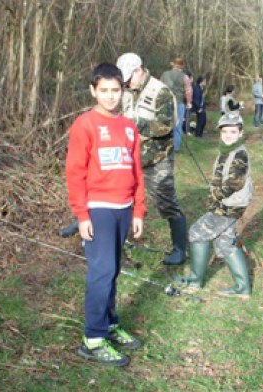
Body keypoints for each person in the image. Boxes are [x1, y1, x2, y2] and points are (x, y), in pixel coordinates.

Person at [66, 62, 146, 366]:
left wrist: (138, 210)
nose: (111, 97)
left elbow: (136, 170)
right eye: (105, 91)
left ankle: (110, 323)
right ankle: (93, 337)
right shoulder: (85, 125)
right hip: (98, 210)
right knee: (101, 273)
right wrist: (82, 215)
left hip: (124, 209)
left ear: (123, 90)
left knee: (112, 270)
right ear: (93, 91)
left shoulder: (128, 126)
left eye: (116, 90)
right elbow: (75, 174)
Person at [117, 52, 187, 266]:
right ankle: (118, 247)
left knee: (167, 203)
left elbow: (165, 126)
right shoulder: (127, 92)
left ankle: (179, 250)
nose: (126, 84)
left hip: (158, 158)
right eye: (124, 81)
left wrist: (134, 123)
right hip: (131, 156)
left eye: (128, 79)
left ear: (139, 71)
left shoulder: (161, 92)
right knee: (121, 202)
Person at [173, 111, 253, 298]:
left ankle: (195, 280)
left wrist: (217, 195)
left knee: (196, 233)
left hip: (228, 207)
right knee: (226, 244)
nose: (228, 135)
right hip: (231, 204)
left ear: (240, 133)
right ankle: (243, 289)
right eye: (225, 131)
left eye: (233, 132)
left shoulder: (239, 154)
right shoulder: (226, 150)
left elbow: (235, 182)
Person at [161, 57, 190, 152]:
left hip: (165, 103)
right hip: (179, 103)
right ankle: (175, 148)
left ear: (173, 64)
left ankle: (164, 146)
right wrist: (189, 102)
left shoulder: (164, 75)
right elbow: (188, 91)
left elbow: (159, 88)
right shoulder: (185, 77)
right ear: (182, 66)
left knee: (165, 124)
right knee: (177, 126)